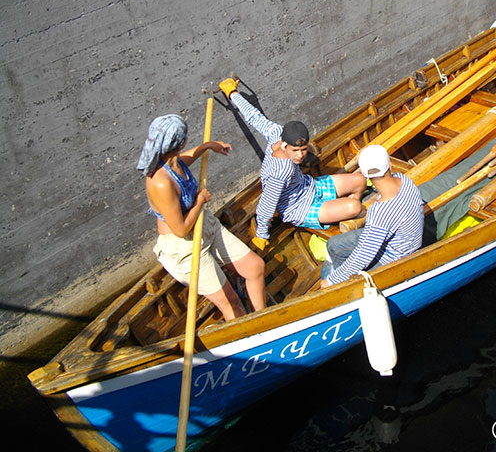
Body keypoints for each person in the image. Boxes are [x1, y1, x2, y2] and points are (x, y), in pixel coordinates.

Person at [138, 114, 266, 321]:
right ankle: (248, 336)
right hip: (184, 246)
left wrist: (207, 146)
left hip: (205, 225)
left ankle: (264, 320)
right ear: (181, 141)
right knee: (232, 303)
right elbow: (180, 230)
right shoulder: (160, 182)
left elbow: (183, 160)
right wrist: (200, 200)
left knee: (255, 267)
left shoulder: (172, 161)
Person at [218, 78, 366, 249]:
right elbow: (266, 206)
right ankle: (344, 220)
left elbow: (253, 116)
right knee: (355, 207)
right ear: (284, 145)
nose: (301, 156)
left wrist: (232, 93)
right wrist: (261, 235)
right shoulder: (279, 173)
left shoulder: (276, 132)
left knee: (360, 181)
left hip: (310, 186)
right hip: (299, 208)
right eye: (295, 151)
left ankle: (340, 216)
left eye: (303, 149)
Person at [319, 145, 424, 287]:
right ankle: (343, 275)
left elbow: (364, 255)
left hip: (394, 258)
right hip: (405, 239)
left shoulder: (380, 212)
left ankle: (344, 286)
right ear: (390, 166)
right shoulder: (404, 180)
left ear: (364, 174)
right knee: (333, 245)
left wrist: (331, 281)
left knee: (348, 276)